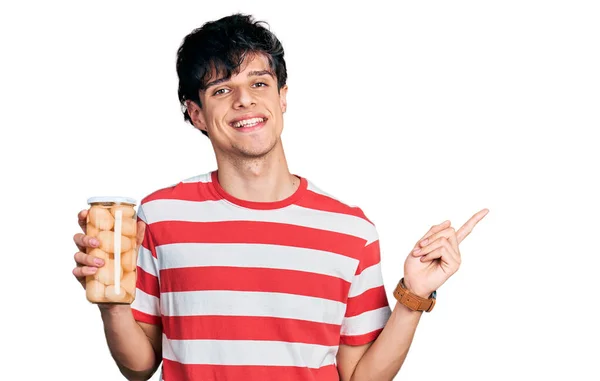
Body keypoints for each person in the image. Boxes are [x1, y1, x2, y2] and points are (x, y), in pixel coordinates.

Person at [72, 13, 488, 381]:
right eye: (220, 90)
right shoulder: (160, 216)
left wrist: (413, 297)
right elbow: (139, 366)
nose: (244, 100)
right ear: (195, 113)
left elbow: (359, 376)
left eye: (259, 83)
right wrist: (109, 300)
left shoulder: (351, 230)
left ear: (282, 96)